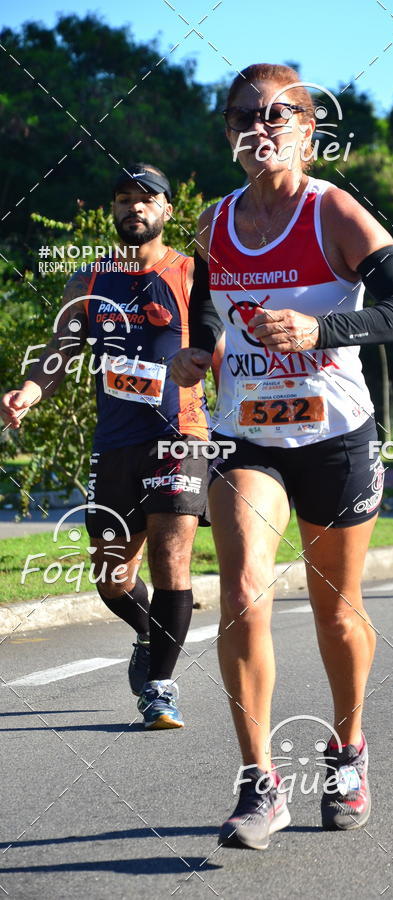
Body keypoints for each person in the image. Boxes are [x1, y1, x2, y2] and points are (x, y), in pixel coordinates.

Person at [171, 63, 393, 848]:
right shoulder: (214, 223)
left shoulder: (334, 215)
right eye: (244, 115)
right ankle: (260, 784)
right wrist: (201, 351)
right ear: (228, 133)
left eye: (280, 113)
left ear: (308, 132)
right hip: (246, 435)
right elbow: (210, 308)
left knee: (335, 612)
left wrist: (324, 331)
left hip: (334, 438)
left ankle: (347, 748)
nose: (262, 125)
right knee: (245, 589)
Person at [1, 164, 217, 729]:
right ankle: (148, 632)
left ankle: (161, 688)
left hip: (180, 436)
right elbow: (59, 350)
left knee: (172, 558)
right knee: (112, 579)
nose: (134, 208)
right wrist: (27, 392)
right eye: (123, 199)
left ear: (167, 211)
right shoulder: (89, 281)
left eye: (146, 200)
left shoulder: (193, 275)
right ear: (113, 211)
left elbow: (224, 346)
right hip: (115, 443)